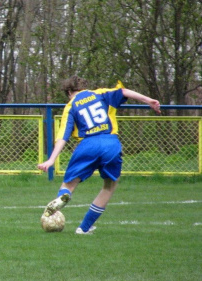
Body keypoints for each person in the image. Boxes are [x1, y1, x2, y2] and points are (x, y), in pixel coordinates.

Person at [38, 76, 161, 234]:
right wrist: (148, 100)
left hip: (88, 145)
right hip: (110, 143)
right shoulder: (100, 93)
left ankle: (64, 196)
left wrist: (51, 160)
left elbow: (63, 136)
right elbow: (123, 91)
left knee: (69, 185)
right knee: (109, 187)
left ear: (69, 92)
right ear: (85, 86)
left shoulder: (70, 106)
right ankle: (84, 228)